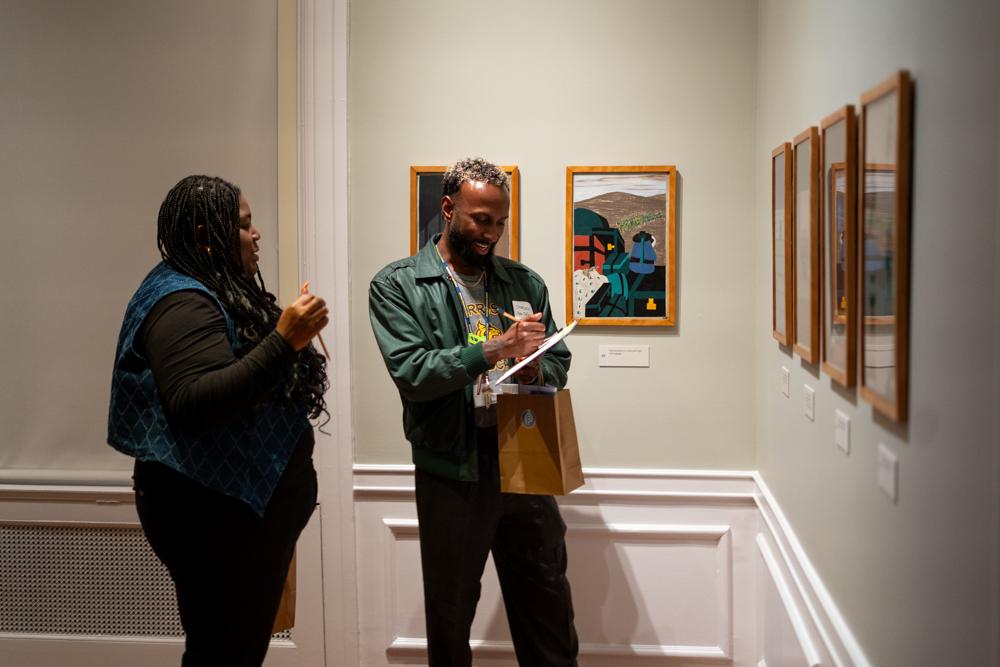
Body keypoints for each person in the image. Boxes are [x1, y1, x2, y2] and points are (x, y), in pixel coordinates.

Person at [107, 175, 329, 666]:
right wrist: (284, 340)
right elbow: (195, 403)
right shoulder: (182, 301)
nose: (257, 235)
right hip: (212, 518)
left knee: (233, 651)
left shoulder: (213, 288)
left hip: (236, 514)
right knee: (223, 654)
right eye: (245, 226)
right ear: (209, 238)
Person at [369, 157, 579, 666]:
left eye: (500, 221)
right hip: (452, 469)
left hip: (524, 460)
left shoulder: (524, 282)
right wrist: (494, 350)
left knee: (548, 611)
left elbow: (558, 362)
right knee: (451, 617)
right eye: (480, 220)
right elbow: (412, 373)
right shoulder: (398, 284)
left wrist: (534, 371)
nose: (491, 233)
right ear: (447, 208)